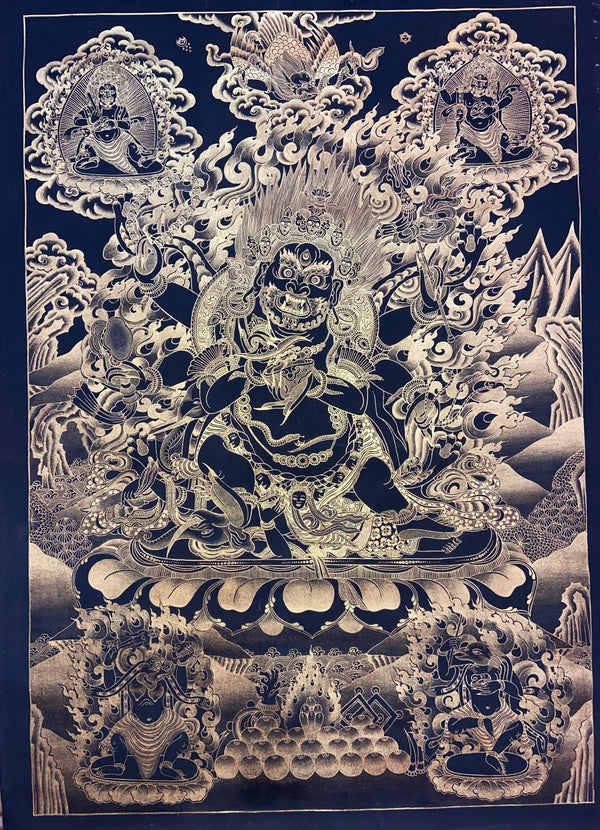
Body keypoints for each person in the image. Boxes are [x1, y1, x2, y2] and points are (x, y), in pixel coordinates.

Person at [72, 82, 161, 175]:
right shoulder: (91, 110)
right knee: (87, 143)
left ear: (114, 97)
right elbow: (76, 120)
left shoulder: (121, 110)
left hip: (118, 138)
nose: (106, 98)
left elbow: (127, 125)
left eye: (110, 96)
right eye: (103, 96)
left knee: (130, 143)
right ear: (99, 96)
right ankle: (92, 160)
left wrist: (115, 123)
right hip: (96, 139)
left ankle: (141, 160)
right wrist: (90, 120)